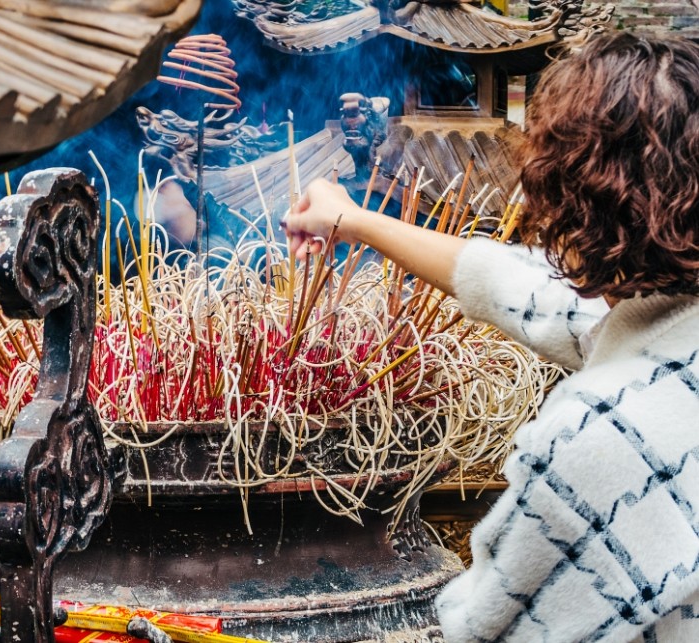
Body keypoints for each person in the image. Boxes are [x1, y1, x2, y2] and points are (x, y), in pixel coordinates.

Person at [282, 31, 699, 641]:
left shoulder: (604, 433)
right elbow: (530, 292)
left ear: (578, 200)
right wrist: (356, 219)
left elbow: (490, 628)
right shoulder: (670, 341)